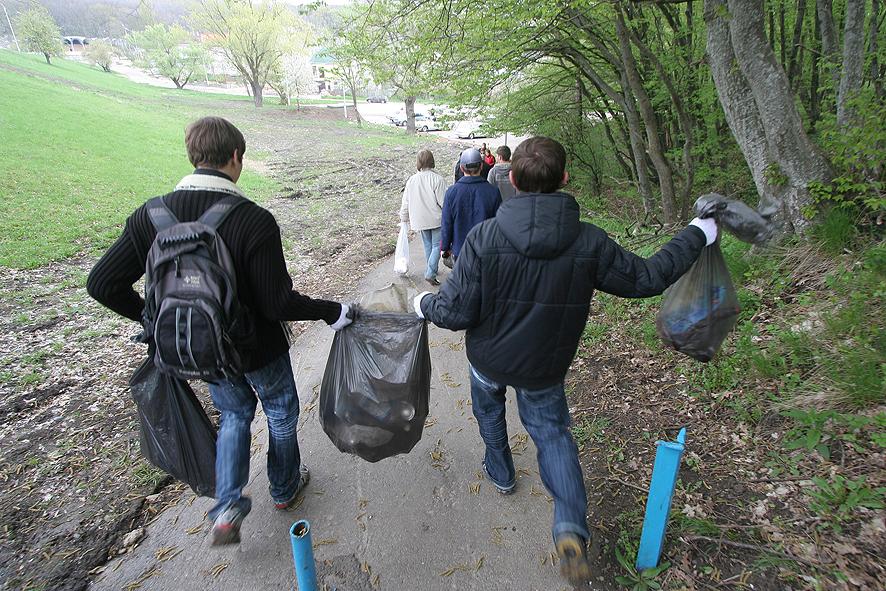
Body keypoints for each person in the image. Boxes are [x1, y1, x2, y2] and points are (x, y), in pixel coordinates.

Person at [412, 137, 717, 585]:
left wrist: (423, 303)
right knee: (553, 438)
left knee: (488, 411)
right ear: (565, 180)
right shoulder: (588, 241)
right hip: (543, 368)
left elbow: (456, 313)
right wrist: (699, 231)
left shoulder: (483, 238)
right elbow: (649, 277)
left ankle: (500, 472)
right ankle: (571, 527)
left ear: (512, 179)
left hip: (488, 361)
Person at [86, 116, 353, 547]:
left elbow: (101, 284)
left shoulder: (150, 217)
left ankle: (228, 505)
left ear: (193, 155)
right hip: (259, 348)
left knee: (233, 415)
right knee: (281, 412)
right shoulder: (253, 220)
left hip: (202, 349)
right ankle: (284, 488)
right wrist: (331, 310)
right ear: (235, 158)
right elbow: (277, 304)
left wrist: (153, 321)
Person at [439, 148, 501, 263]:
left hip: (460, 250)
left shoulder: (452, 192)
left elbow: (447, 223)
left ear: (462, 168)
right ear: (481, 166)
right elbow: (498, 224)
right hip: (486, 251)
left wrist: (445, 247)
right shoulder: (493, 192)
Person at [399, 149, 448, 286]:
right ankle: (430, 272)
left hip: (419, 220)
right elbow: (444, 202)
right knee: (436, 246)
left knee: (428, 245)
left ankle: (432, 268)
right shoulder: (437, 179)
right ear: (432, 160)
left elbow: (406, 201)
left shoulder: (412, 180)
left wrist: (404, 217)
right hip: (436, 218)